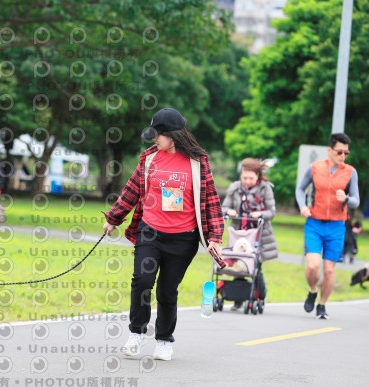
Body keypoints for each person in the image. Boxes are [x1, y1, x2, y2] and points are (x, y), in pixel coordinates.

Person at [102, 108, 224, 361]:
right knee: (142, 281)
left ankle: (164, 340)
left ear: (172, 135)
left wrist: (215, 237)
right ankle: (136, 333)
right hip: (150, 231)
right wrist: (114, 218)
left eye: (158, 135)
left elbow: (211, 200)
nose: (154, 139)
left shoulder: (198, 162)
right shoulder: (149, 159)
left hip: (183, 238)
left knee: (167, 291)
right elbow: (132, 190)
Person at [295, 133, 359, 319]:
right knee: (313, 266)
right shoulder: (315, 168)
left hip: (337, 226)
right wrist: (302, 206)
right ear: (329, 150)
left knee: (329, 270)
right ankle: (312, 290)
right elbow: (300, 189)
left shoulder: (350, 172)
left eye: (346, 153)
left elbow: (356, 200)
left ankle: (322, 305)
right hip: (314, 223)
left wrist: (346, 199)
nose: (343, 156)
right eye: (339, 152)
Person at [222, 158, 278, 310]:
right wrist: (229, 211)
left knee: (254, 267)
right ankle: (238, 299)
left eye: (251, 178)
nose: (247, 181)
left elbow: (271, 211)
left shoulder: (265, 189)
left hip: (257, 234)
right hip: (239, 234)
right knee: (239, 265)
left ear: (257, 176)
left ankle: (260, 294)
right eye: (244, 177)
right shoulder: (235, 188)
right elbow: (224, 207)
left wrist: (260, 214)